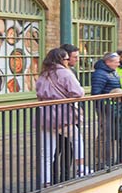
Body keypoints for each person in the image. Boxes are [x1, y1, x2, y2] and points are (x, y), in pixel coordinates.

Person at [36, 47, 87, 185]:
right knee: (76, 139)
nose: (68, 61)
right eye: (66, 59)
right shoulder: (65, 73)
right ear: (61, 59)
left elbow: (38, 92)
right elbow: (77, 92)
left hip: (45, 114)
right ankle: (81, 169)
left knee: (47, 150)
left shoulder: (43, 74)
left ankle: (45, 180)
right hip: (62, 115)